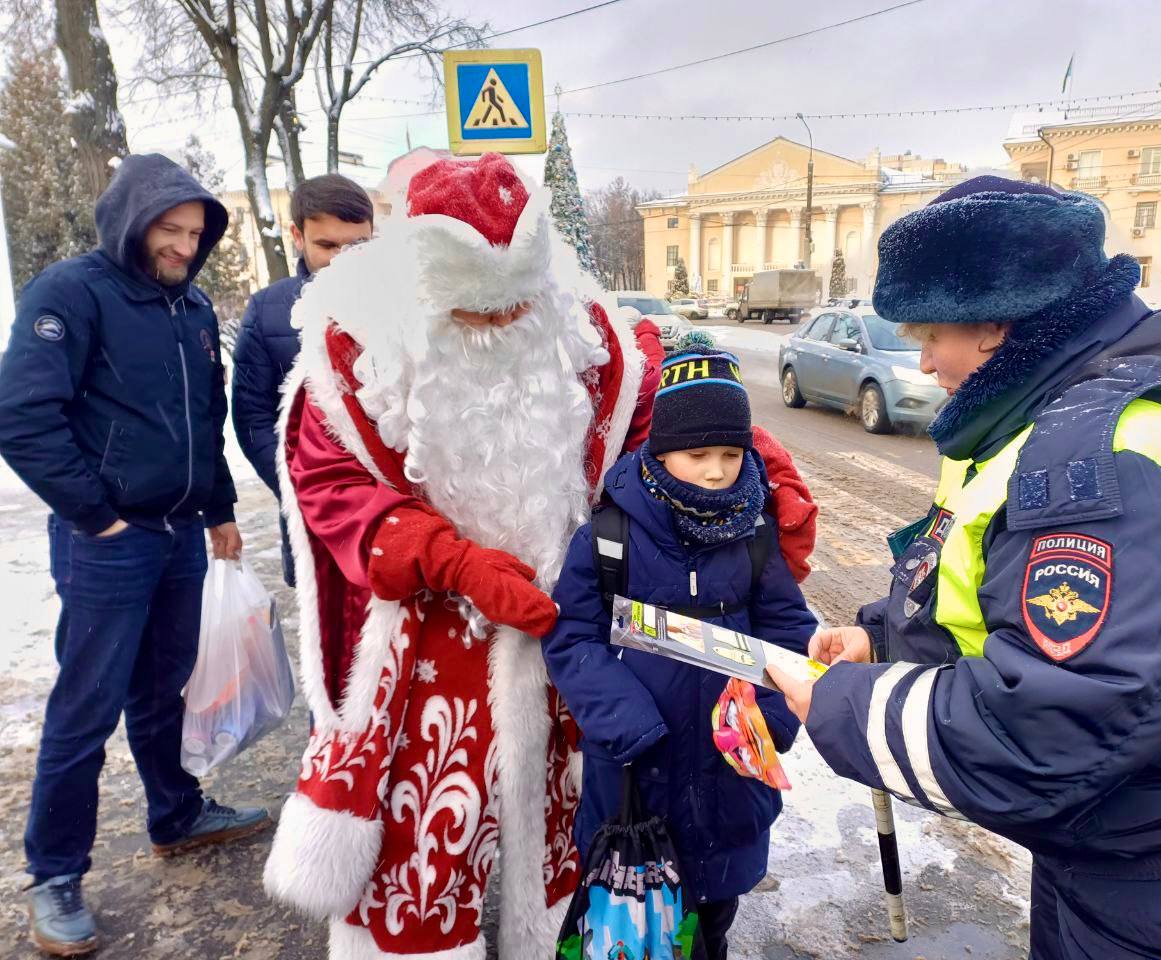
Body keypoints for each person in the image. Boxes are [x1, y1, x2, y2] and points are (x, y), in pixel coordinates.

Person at [260, 153, 817, 960]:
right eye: (470, 315)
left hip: (573, 620)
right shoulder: (350, 356)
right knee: (426, 842)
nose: (494, 329)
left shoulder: (590, 339)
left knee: (572, 832)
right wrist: (452, 562)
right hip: (428, 639)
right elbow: (331, 487)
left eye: (512, 310)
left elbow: (672, 428)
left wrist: (762, 473)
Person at [766, 175, 1161, 959]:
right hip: (1133, 843)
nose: (926, 360)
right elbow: (990, 585)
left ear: (998, 324)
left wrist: (845, 707)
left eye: (931, 333)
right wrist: (887, 639)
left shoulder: (1115, 453)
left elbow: (1046, 732)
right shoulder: (1049, 413)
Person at [0, 153, 270, 957]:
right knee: (87, 704)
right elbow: (22, 418)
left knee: (165, 690)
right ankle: (55, 874)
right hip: (107, 544)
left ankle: (175, 813)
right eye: (169, 229)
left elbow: (202, 419)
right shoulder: (70, 292)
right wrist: (97, 517)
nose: (184, 246)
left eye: (195, 233)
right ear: (130, 219)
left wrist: (218, 508)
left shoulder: (188, 307)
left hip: (182, 533)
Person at [543, 341, 818, 960]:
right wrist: (626, 721)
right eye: (698, 455)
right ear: (662, 450)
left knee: (710, 925)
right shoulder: (609, 535)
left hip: (729, 783)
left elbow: (787, 632)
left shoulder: (753, 536)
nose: (717, 470)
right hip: (636, 781)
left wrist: (768, 722)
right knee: (636, 933)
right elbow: (571, 636)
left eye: (730, 453)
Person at [231, 173, 374, 587]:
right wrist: (302, 490)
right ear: (297, 235)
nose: (344, 259)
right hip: (313, 519)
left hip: (402, 515)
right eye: (328, 245)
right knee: (327, 641)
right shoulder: (267, 310)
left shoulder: (406, 302)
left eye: (357, 245)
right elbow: (252, 417)